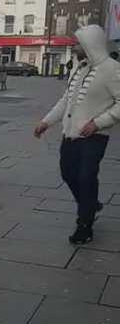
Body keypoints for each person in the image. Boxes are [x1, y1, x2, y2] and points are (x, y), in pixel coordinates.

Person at [34, 25, 120, 245]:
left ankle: (85, 225)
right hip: (70, 134)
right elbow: (66, 100)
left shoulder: (112, 69)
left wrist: (99, 123)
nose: (74, 46)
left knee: (86, 176)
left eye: (78, 43)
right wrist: (47, 121)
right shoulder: (78, 68)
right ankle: (90, 204)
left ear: (91, 44)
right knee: (68, 174)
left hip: (94, 136)